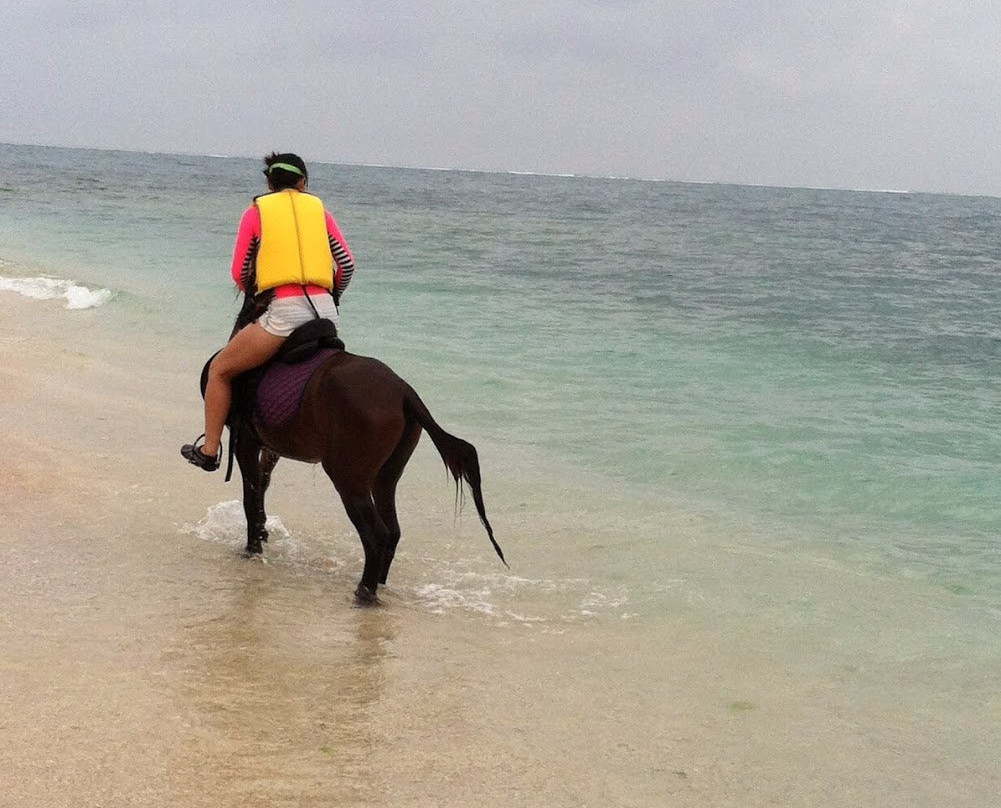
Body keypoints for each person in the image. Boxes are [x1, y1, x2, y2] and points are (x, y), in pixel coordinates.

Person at [181, 152, 355, 471]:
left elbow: (240, 272)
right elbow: (346, 265)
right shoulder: (321, 211)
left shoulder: (256, 211)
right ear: (303, 182)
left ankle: (208, 450)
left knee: (220, 369)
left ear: (270, 183)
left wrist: (262, 291)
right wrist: (334, 295)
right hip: (327, 314)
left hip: (284, 314)